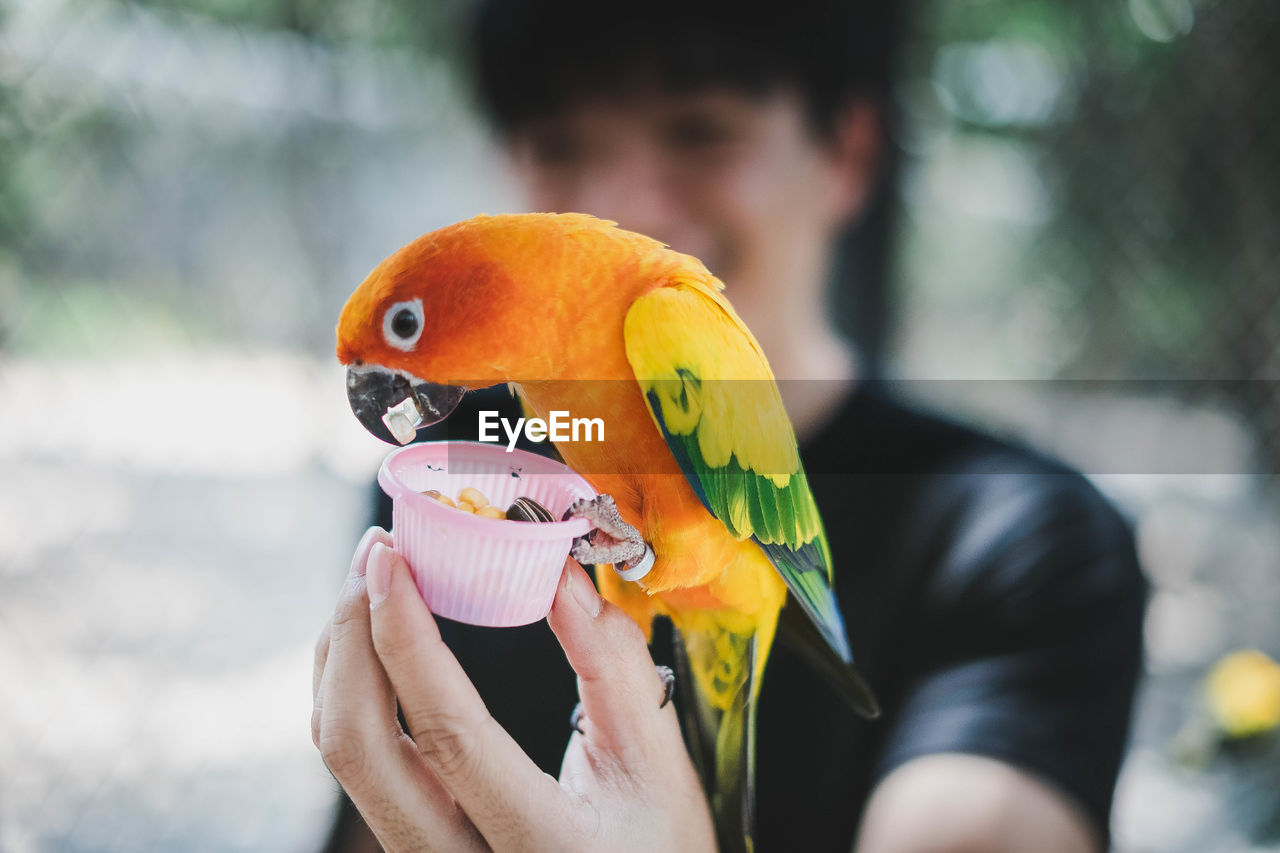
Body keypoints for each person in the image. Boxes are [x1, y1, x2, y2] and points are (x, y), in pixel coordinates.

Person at [313, 2, 1148, 851]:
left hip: (737, 597)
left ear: (848, 151)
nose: (622, 200)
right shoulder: (458, 479)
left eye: (700, 131)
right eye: (561, 144)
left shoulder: (1022, 536)